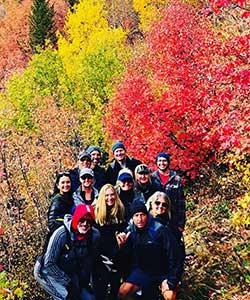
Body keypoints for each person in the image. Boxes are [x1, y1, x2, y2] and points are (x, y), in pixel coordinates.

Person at [34, 204, 100, 300]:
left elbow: (88, 261)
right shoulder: (61, 234)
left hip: (69, 269)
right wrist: (68, 283)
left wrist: (84, 282)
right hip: (47, 270)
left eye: (88, 221)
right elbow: (49, 263)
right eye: (82, 220)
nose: (85, 224)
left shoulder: (94, 235)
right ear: (76, 219)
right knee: (67, 296)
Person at [116, 201, 180, 300]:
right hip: (143, 271)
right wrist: (122, 246)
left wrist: (172, 281)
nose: (140, 219)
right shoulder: (130, 231)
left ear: (147, 215)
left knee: (170, 296)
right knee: (123, 292)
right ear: (132, 218)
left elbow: (175, 256)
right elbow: (124, 260)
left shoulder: (159, 229)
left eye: (142, 215)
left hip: (163, 271)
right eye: (136, 215)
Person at [93, 184, 128, 300]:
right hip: (100, 258)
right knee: (100, 291)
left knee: (115, 289)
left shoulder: (121, 210)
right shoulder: (95, 212)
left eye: (112, 195)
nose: (110, 198)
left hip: (117, 256)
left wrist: (122, 236)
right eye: (106, 195)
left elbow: (125, 229)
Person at [147, 191, 185, 277]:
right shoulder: (142, 221)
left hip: (164, 267)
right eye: (157, 203)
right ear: (151, 204)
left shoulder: (170, 224)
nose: (160, 206)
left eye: (164, 205)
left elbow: (176, 252)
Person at [152, 152, 186, 240]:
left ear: (168, 162)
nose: (162, 163)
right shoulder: (152, 178)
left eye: (164, 161)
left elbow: (181, 203)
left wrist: (181, 224)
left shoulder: (176, 179)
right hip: (156, 219)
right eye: (159, 161)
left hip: (172, 219)